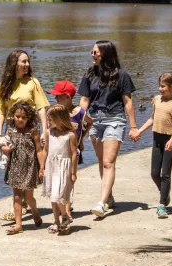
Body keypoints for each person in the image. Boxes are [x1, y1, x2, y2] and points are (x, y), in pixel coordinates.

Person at [77, 40, 137, 219]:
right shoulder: (89, 74)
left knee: (108, 162)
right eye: (92, 52)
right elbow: (85, 99)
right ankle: (109, 195)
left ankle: (101, 203)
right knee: (101, 160)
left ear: (105, 54)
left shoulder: (122, 75)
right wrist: (79, 122)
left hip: (115, 119)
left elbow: (128, 101)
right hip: (94, 120)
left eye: (95, 52)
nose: (92, 54)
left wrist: (133, 127)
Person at [0, 49, 50, 221]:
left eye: (28, 62)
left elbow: (41, 108)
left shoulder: (33, 82)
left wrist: (45, 131)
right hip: (12, 130)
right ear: (14, 64)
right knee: (14, 168)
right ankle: (21, 205)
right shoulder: (4, 85)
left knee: (29, 165)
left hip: (30, 129)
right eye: (23, 62)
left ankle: (26, 201)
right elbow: (0, 111)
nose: (27, 65)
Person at [133, 72, 172, 218]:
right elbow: (152, 119)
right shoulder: (156, 99)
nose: (160, 89)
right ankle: (165, 193)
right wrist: (139, 131)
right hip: (157, 139)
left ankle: (162, 205)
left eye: (163, 86)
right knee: (154, 173)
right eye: (160, 86)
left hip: (170, 140)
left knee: (165, 173)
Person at [47, 80, 94, 217]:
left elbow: (89, 122)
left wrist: (81, 138)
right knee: (57, 179)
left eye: (58, 96)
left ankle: (67, 209)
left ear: (68, 96)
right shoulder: (56, 112)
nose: (55, 99)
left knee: (69, 179)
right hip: (58, 152)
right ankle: (61, 205)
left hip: (73, 152)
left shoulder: (79, 112)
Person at [0, 101, 44, 234]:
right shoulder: (10, 129)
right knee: (17, 196)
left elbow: (39, 150)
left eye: (23, 117)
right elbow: (3, 144)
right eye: (17, 116)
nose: (20, 119)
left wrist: (42, 167)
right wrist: (4, 148)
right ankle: (19, 224)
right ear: (13, 115)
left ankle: (35, 211)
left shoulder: (33, 131)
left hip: (30, 166)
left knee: (28, 196)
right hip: (15, 165)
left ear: (28, 118)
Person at [41, 104, 79, 234]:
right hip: (51, 166)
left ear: (60, 119)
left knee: (59, 195)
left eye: (50, 119)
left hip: (63, 167)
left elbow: (74, 153)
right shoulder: (48, 133)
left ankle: (65, 216)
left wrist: (73, 172)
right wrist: (42, 167)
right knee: (53, 196)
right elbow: (45, 150)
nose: (48, 122)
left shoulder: (70, 135)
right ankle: (57, 221)